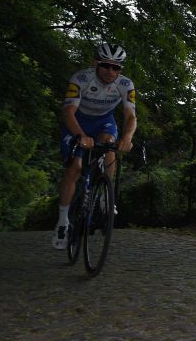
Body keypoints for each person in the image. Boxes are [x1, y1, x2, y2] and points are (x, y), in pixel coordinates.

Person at [52, 43, 137, 249]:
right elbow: (68, 112)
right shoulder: (80, 79)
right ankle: (63, 220)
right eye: (106, 65)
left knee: (109, 143)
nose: (111, 71)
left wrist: (127, 137)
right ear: (96, 63)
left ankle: (104, 196)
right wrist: (80, 135)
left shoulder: (126, 85)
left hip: (103, 122)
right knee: (75, 168)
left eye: (116, 67)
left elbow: (130, 116)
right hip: (77, 121)